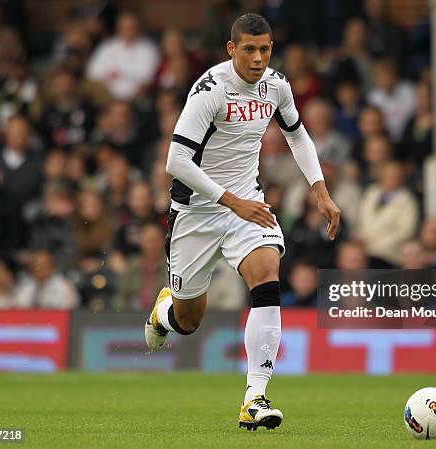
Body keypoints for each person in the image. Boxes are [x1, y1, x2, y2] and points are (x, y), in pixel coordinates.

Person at [144, 13, 340, 431]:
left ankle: (255, 397)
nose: (257, 58)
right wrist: (228, 200)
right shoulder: (209, 90)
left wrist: (319, 189)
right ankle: (164, 313)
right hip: (197, 210)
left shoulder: (277, 87)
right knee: (188, 320)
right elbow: (175, 161)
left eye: (264, 49)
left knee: (268, 274)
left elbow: (297, 134)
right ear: (231, 49)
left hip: (247, 204)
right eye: (249, 49)